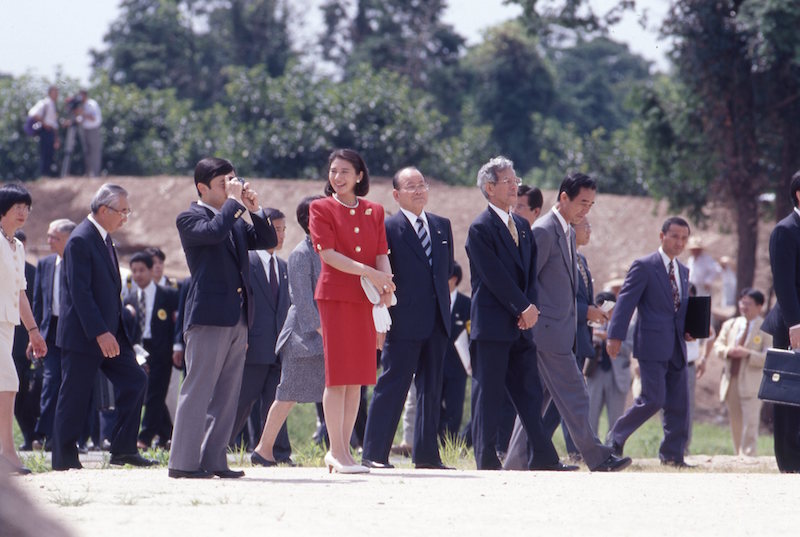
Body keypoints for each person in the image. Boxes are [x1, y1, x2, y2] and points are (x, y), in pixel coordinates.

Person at [506, 177, 629, 472]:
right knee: (576, 393)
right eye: (581, 202)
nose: (586, 210)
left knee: (536, 404)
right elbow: (527, 281)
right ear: (563, 198)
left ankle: (514, 463)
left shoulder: (567, 232)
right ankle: (598, 457)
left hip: (560, 333)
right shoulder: (544, 231)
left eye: (590, 204)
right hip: (546, 332)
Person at [168, 157, 277, 479]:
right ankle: (183, 463)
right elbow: (214, 234)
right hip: (208, 317)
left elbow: (268, 242)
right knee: (198, 389)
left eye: (234, 179)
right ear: (202, 188)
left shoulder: (234, 218)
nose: (233, 186)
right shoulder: (189, 217)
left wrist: (255, 210)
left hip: (238, 316)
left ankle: (214, 459)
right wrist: (233, 203)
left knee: (228, 394)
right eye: (223, 182)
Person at [464, 156, 564, 471]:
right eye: (507, 181)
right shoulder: (480, 228)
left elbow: (529, 276)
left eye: (515, 179)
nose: (514, 185)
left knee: (528, 392)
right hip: (492, 324)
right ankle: (485, 457)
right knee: (489, 394)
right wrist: (522, 307)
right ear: (489, 188)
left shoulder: (521, 225)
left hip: (522, 325)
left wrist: (529, 310)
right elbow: (494, 277)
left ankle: (544, 457)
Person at [51, 183, 153, 471]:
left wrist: (113, 331)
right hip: (86, 336)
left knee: (135, 380)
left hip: (112, 333)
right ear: (104, 209)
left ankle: (123, 449)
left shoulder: (104, 238)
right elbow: (80, 293)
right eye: (123, 211)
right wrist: (99, 332)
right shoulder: (81, 239)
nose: (125, 217)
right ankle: (63, 459)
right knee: (75, 396)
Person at [362, 166, 455, 470]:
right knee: (393, 385)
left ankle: (427, 455)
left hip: (438, 320)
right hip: (403, 321)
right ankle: (375, 453)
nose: (418, 190)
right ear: (396, 194)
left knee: (432, 390)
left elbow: (442, 277)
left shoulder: (442, 226)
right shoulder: (388, 227)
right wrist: (382, 317)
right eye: (410, 186)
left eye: (422, 185)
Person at [309, 148, 395, 474]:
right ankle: (337, 450)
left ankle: (345, 451)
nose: (338, 177)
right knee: (337, 376)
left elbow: (381, 253)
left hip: (365, 299)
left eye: (345, 171)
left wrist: (386, 285)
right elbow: (328, 254)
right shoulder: (321, 207)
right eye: (333, 170)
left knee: (357, 378)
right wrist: (370, 273)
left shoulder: (375, 210)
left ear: (360, 175)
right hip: (335, 298)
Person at [605, 216, 694, 468]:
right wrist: (615, 335)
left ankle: (673, 456)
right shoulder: (644, 266)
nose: (680, 242)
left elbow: (678, 309)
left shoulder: (684, 271)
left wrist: (689, 329)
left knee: (679, 404)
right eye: (675, 236)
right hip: (651, 344)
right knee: (652, 399)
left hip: (677, 345)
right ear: (662, 236)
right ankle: (616, 435)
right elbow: (625, 302)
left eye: (684, 238)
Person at [251, 196, 326, 466]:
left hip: (326, 334)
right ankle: (263, 449)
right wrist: (324, 333)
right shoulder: (300, 254)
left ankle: (339, 449)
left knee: (337, 392)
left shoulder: (329, 251)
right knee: (287, 395)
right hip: (301, 338)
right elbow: (303, 302)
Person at [229, 209, 292, 461]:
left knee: (277, 400)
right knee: (241, 402)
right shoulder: (247, 263)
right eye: (275, 229)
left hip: (279, 348)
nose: (280, 235)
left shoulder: (284, 266)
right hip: (252, 346)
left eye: (283, 229)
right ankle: (213, 446)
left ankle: (276, 452)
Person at [0, 185, 47, 475]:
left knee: (5, 386)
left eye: (26, 207)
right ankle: (7, 453)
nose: (23, 211)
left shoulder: (16, 246)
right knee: (9, 383)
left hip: (8, 325)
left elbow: (20, 294)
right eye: (17, 205)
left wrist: (33, 331)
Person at [761, 171, 800, 473]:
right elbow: (784, 284)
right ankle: (788, 462)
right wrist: (795, 324)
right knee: (788, 395)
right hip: (792, 324)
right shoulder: (785, 231)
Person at [124, 252, 179, 449]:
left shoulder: (168, 294)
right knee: (149, 393)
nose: (138, 275)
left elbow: (177, 324)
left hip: (161, 350)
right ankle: (167, 434)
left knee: (156, 392)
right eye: (134, 271)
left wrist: (177, 346)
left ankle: (144, 438)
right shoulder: (129, 297)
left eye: (141, 270)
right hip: (139, 350)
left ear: (150, 270)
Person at [31, 219, 76, 450]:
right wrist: (34, 333)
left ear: (69, 239)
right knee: (51, 381)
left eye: (54, 237)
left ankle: (69, 436)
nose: (49, 241)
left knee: (73, 383)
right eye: (48, 236)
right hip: (50, 331)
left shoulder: (79, 262)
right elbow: (38, 302)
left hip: (75, 332)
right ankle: (44, 434)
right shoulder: (45, 264)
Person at [713, 288, 771, 456]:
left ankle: (748, 455)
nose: (744, 307)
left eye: (749, 304)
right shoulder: (731, 324)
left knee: (750, 422)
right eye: (742, 302)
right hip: (731, 379)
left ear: (759, 306)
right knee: (736, 420)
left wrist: (748, 354)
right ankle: (738, 454)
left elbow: (769, 356)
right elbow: (718, 346)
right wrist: (729, 351)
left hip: (752, 382)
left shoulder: (766, 328)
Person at [586, 291, 632, 436]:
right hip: (595, 371)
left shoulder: (627, 325)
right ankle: (592, 450)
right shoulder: (591, 324)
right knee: (591, 414)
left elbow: (628, 348)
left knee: (616, 417)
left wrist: (609, 338)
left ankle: (614, 450)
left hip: (617, 374)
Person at [10, 231, 39, 452]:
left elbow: (34, 305)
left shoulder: (33, 272)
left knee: (19, 390)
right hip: (5, 335)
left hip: (22, 342)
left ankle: (32, 435)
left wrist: (34, 333)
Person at [439, 262, 471, 441]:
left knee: (454, 407)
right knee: (433, 405)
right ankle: (434, 442)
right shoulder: (435, 300)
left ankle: (449, 444)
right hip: (436, 363)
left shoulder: (466, 305)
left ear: (454, 279)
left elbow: (471, 331)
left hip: (458, 366)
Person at [27, 86, 60, 177]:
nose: (57, 94)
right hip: (45, 131)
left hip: (50, 132)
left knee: (50, 154)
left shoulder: (53, 104)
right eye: (55, 92)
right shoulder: (45, 103)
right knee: (45, 154)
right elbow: (33, 113)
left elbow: (54, 124)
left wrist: (56, 138)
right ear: (50, 93)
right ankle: (44, 175)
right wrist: (45, 124)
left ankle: (47, 176)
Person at [76, 89, 102, 177]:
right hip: (85, 130)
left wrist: (83, 113)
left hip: (93, 129)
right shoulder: (81, 105)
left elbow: (94, 118)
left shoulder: (92, 104)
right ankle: (88, 173)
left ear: (84, 95)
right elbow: (81, 119)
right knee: (86, 152)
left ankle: (95, 173)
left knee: (94, 151)